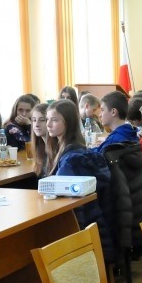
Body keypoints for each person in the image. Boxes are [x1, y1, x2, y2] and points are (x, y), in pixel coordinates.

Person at [46, 100, 114, 260]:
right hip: (98, 227)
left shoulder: (70, 160)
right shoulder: (79, 150)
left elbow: (63, 201)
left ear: (68, 123)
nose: (48, 124)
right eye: (47, 119)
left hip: (79, 231)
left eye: (54, 120)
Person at [30, 103, 56, 178]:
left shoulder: (57, 148)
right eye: (34, 120)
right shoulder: (40, 147)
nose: (37, 124)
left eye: (42, 120)